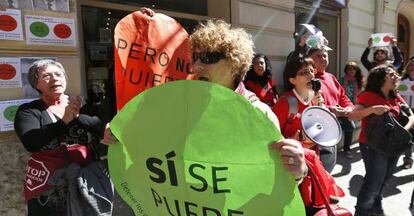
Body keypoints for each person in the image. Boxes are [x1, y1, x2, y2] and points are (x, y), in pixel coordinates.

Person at [102, 19, 308, 184]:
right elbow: (155, 146)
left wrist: (298, 171)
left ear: (235, 64)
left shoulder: (258, 114)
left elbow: (279, 183)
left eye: (208, 58)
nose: (197, 66)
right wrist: (121, 136)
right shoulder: (183, 107)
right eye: (196, 58)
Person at [14, 59, 109, 215]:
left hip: (86, 181)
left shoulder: (82, 104)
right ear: (36, 84)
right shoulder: (29, 111)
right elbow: (32, 143)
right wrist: (64, 121)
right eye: (46, 76)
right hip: (49, 186)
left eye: (58, 74)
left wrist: (77, 116)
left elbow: (100, 127)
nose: (55, 78)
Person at [348, 64, 414, 216]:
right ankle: (362, 212)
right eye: (392, 74)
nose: (396, 76)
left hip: (393, 144)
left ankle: (376, 208)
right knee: (373, 182)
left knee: (384, 179)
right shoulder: (368, 95)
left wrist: (404, 130)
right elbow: (353, 115)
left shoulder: (394, 95)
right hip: (372, 146)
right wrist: (372, 109)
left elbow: (411, 115)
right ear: (382, 78)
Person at [307, 47, 354, 173]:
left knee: (329, 163)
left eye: (325, 55)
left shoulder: (331, 77)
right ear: (309, 59)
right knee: (320, 166)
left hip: (333, 126)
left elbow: (343, 97)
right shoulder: (307, 79)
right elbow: (307, 105)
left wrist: (348, 107)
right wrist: (330, 110)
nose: (323, 58)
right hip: (317, 129)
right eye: (318, 56)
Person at [338, 61, 363, 159]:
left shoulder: (359, 81)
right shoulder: (341, 80)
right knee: (349, 126)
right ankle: (344, 149)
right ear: (346, 70)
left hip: (355, 108)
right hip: (342, 107)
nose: (352, 70)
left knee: (350, 127)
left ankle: (347, 149)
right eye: (349, 68)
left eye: (354, 69)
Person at [400, 58, 414, 169]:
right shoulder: (401, 81)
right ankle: (408, 159)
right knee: (407, 135)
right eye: (411, 65)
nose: (412, 67)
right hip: (406, 112)